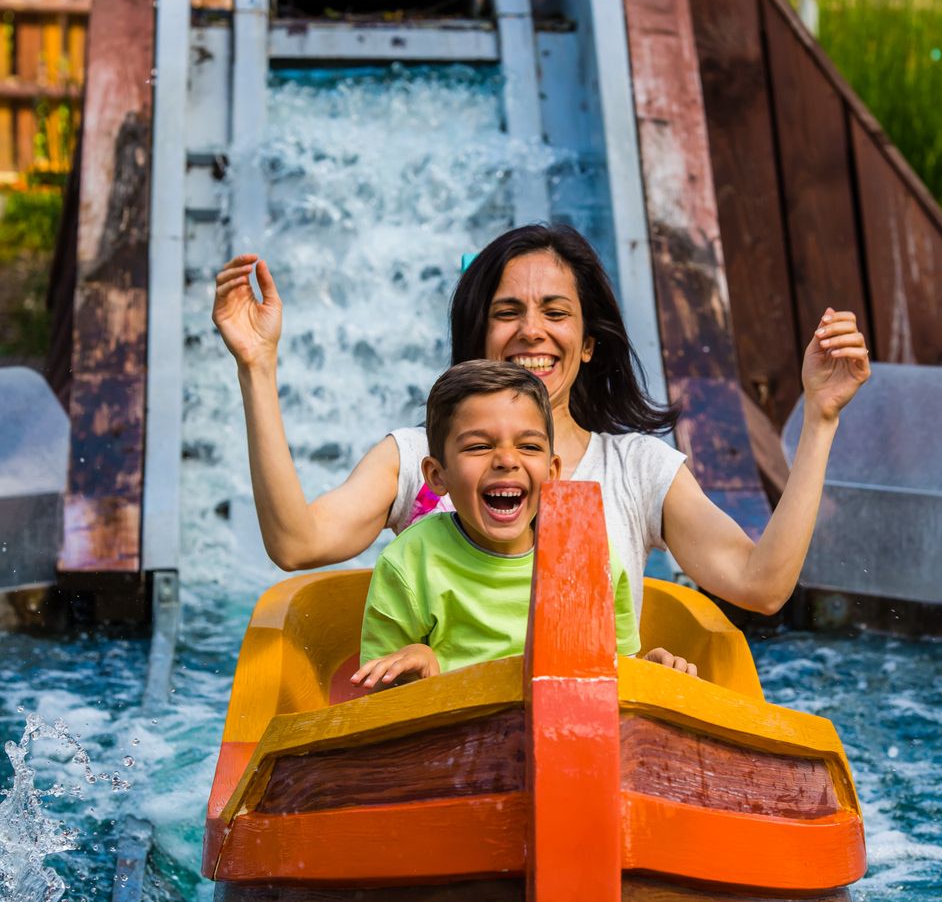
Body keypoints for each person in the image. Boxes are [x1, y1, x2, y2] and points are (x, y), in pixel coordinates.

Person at [212, 222, 870, 622]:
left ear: (587, 343)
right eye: (507, 313)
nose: (532, 331)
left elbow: (760, 586)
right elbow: (296, 544)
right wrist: (257, 368)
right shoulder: (417, 460)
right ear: (479, 337)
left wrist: (819, 419)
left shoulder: (638, 470)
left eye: (556, 313)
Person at [350, 360, 643, 688]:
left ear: (552, 472)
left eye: (529, 446)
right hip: (456, 735)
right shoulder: (409, 562)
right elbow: (375, 704)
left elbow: (621, 677)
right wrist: (410, 673)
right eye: (479, 446)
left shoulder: (591, 555)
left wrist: (651, 671)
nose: (506, 460)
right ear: (437, 475)